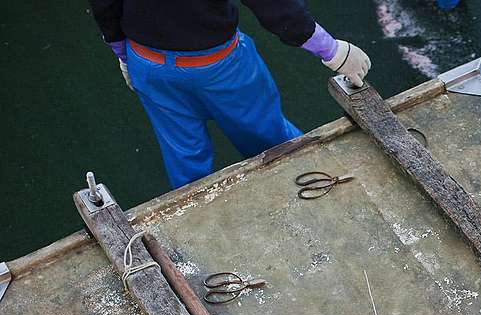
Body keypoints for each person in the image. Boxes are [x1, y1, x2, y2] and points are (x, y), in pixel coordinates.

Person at [88, 0, 372, 189]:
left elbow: (104, 4)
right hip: (219, 67)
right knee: (272, 139)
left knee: (185, 163)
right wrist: (332, 51)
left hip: (147, 64)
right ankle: (314, 184)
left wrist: (123, 55)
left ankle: (195, 228)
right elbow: (275, 7)